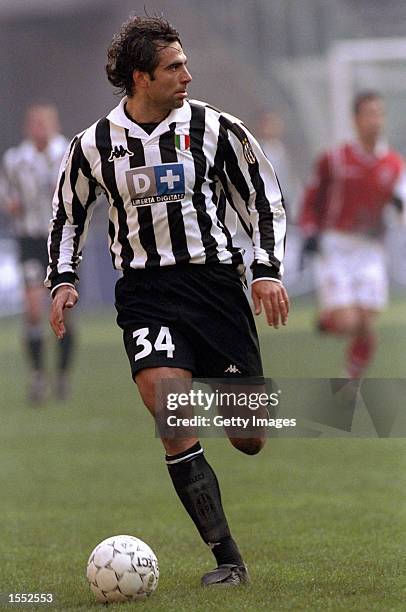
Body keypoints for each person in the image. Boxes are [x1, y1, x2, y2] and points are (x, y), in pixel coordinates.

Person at [45, 16, 289, 586]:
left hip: (215, 286)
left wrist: (266, 271)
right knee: (168, 407)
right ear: (140, 77)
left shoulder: (215, 128)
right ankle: (228, 561)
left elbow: (263, 198)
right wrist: (62, 279)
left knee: (249, 436)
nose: (187, 74)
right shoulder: (94, 145)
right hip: (146, 294)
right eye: (174, 67)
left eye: (184, 63)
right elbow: (66, 215)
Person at [299, 91, 406, 378]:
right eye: (369, 114)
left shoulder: (394, 165)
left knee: (366, 323)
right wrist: (309, 231)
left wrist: (397, 209)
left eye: (380, 114)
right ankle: (329, 320)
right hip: (337, 246)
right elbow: (312, 199)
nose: (376, 121)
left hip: (371, 249)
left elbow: (401, 208)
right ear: (356, 119)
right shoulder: (334, 160)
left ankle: (349, 382)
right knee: (349, 323)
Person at [2, 104, 75, 403]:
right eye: (34, 123)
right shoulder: (16, 159)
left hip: (61, 238)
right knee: (33, 308)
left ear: (54, 125)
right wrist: (11, 204)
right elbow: (6, 194)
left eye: (44, 123)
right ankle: (37, 375)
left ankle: (62, 375)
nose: (39, 128)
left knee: (63, 311)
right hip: (31, 239)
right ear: (27, 128)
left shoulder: (67, 152)